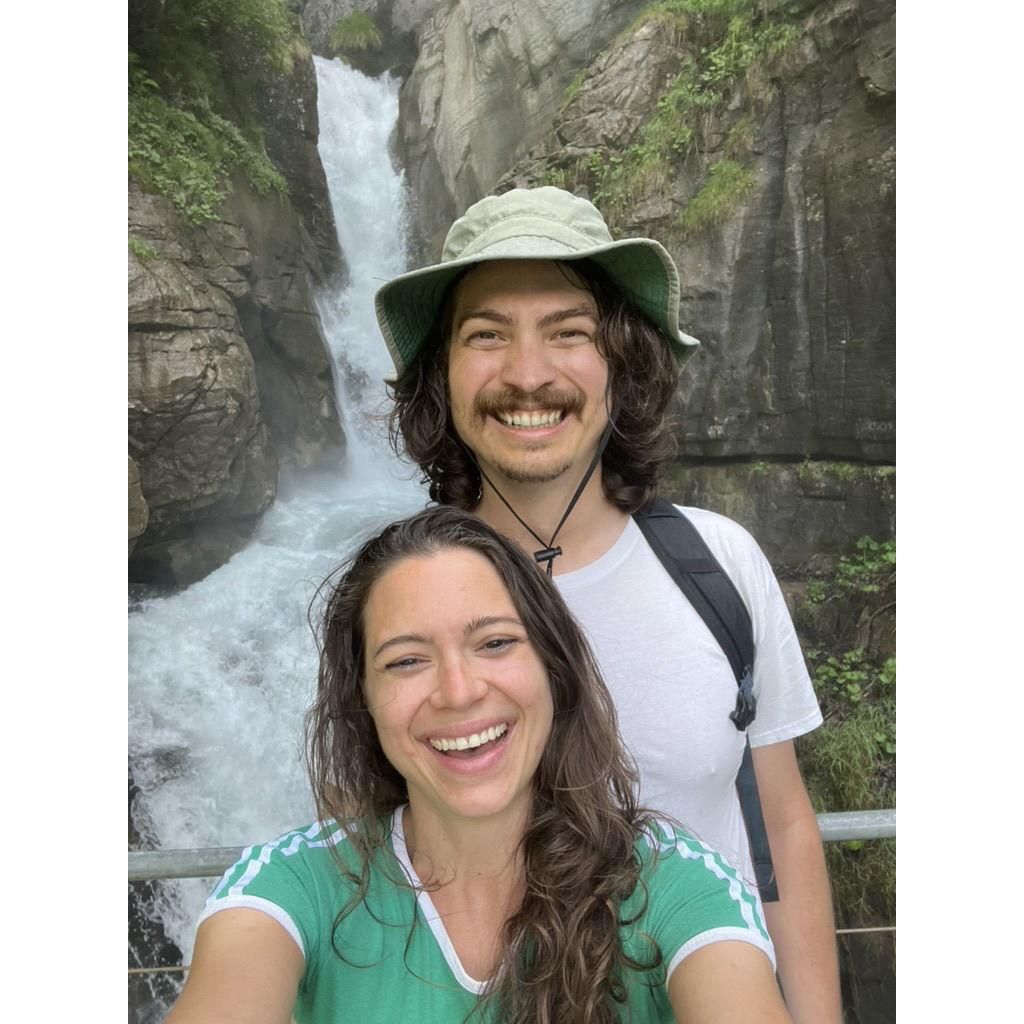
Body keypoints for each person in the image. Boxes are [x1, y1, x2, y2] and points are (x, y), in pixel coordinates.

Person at [376, 187, 841, 1023]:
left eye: (569, 332)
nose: (527, 374)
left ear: (623, 365)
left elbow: (783, 826)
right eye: (486, 335)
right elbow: (363, 864)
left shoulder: (720, 566)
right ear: (441, 376)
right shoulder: (391, 602)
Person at [167, 507, 791, 1023]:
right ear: (363, 700)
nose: (459, 691)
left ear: (554, 668)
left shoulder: (672, 887)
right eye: (407, 660)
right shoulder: (290, 889)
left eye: (495, 643)